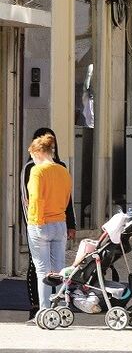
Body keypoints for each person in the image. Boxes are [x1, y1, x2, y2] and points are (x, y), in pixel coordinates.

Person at [21, 128, 76, 322]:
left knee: (42, 270)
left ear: (38, 152)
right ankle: (62, 307)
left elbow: (35, 198)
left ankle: (44, 311)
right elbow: (67, 198)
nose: (32, 160)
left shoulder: (37, 171)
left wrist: (35, 220)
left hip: (40, 223)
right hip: (59, 222)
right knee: (60, 268)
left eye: (32, 156)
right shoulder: (63, 170)